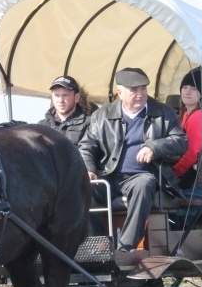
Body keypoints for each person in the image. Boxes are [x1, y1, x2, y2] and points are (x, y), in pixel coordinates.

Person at [78, 67, 187, 262]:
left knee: (144, 184)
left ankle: (126, 248)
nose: (140, 94)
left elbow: (180, 141)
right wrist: (89, 169)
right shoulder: (101, 115)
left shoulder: (164, 113)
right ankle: (98, 245)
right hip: (109, 176)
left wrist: (155, 147)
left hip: (143, 175)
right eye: (133, 90)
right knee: (84, 188)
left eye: (143, 89)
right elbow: (87, 145)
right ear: (119, 93)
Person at [174, 69, 202, 188]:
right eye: (185, 87)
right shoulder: (186, 114)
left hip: (193, 176)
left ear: (201, 94)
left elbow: (192, 153)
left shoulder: (198, 116)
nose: (188, 92)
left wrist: (174, 172)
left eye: (194, 88)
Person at [38, 75, 91, 145]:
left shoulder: (90, 124)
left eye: (65, 95)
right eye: (57, 95)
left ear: (77, 97)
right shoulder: (41, 126)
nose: (60, 100)